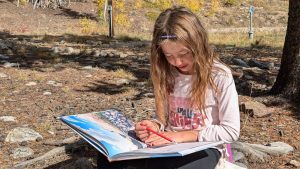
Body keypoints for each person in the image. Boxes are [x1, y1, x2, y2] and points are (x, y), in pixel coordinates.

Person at [98, 6, 240, 169]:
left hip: (206, 147)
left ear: (198, 44)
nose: (178, 62)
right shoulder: (167, 72)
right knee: (109, 155)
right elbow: (164, 119)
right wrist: (154, 126)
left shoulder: (219, 75)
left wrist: (180, 136)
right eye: (169, 56)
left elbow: (231, 131)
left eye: (184, 53)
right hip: (168, 146)